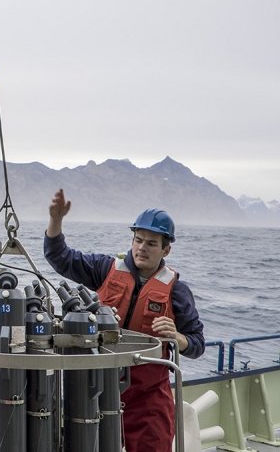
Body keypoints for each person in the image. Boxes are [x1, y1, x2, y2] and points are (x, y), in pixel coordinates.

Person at [44, 189, 205, 452]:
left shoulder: (177, 292)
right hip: (97, 390)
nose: (142, 247)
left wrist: (179, 338)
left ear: (166, 249)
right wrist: (56, 221)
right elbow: (59, 257)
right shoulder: (105, 269)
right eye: (138, 240)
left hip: (149, 398)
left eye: (151, 243)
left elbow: (197, 344)